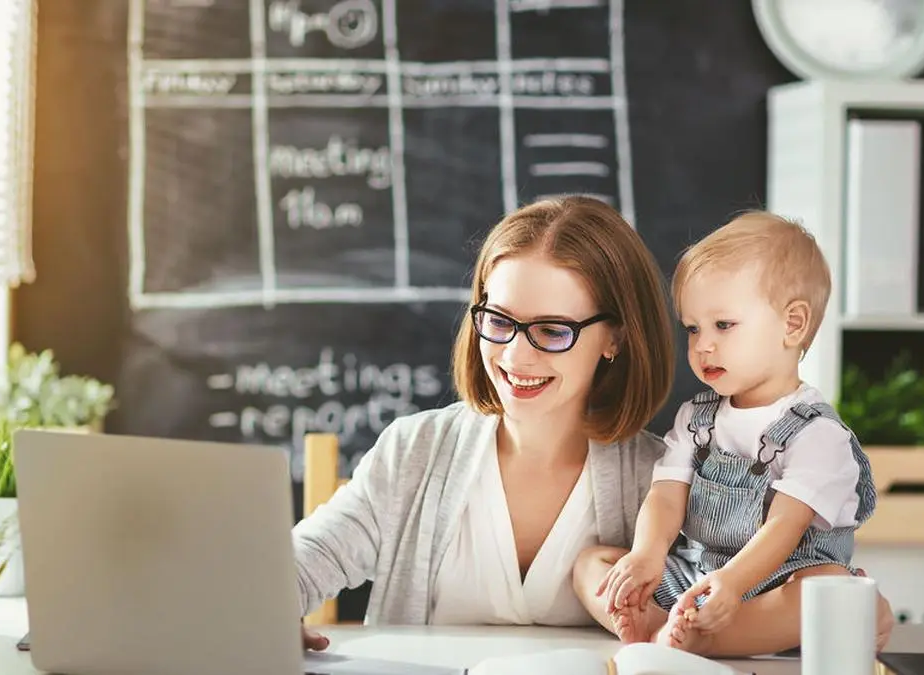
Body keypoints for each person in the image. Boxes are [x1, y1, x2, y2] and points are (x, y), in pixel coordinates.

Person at [295, 196, 676, 651]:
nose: (515, 356)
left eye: (552, 331)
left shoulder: (664, 482)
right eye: (498, 320)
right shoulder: (416, 449)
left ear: (615, 337)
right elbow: (308, 558)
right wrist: (265, 610)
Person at [573, 210, 891, 657]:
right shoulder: (695, 418)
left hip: (774, 585)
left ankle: (698, 638)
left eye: (723, 325)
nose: (703, 345)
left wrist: (732, 585)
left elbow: (784, 527)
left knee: (829, 588)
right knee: (593, 563)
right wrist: (645, 555)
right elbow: (666, 496)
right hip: (697, 576)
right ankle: (662, 623)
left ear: (792, 325)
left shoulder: (818, 434)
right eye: (692, 328)